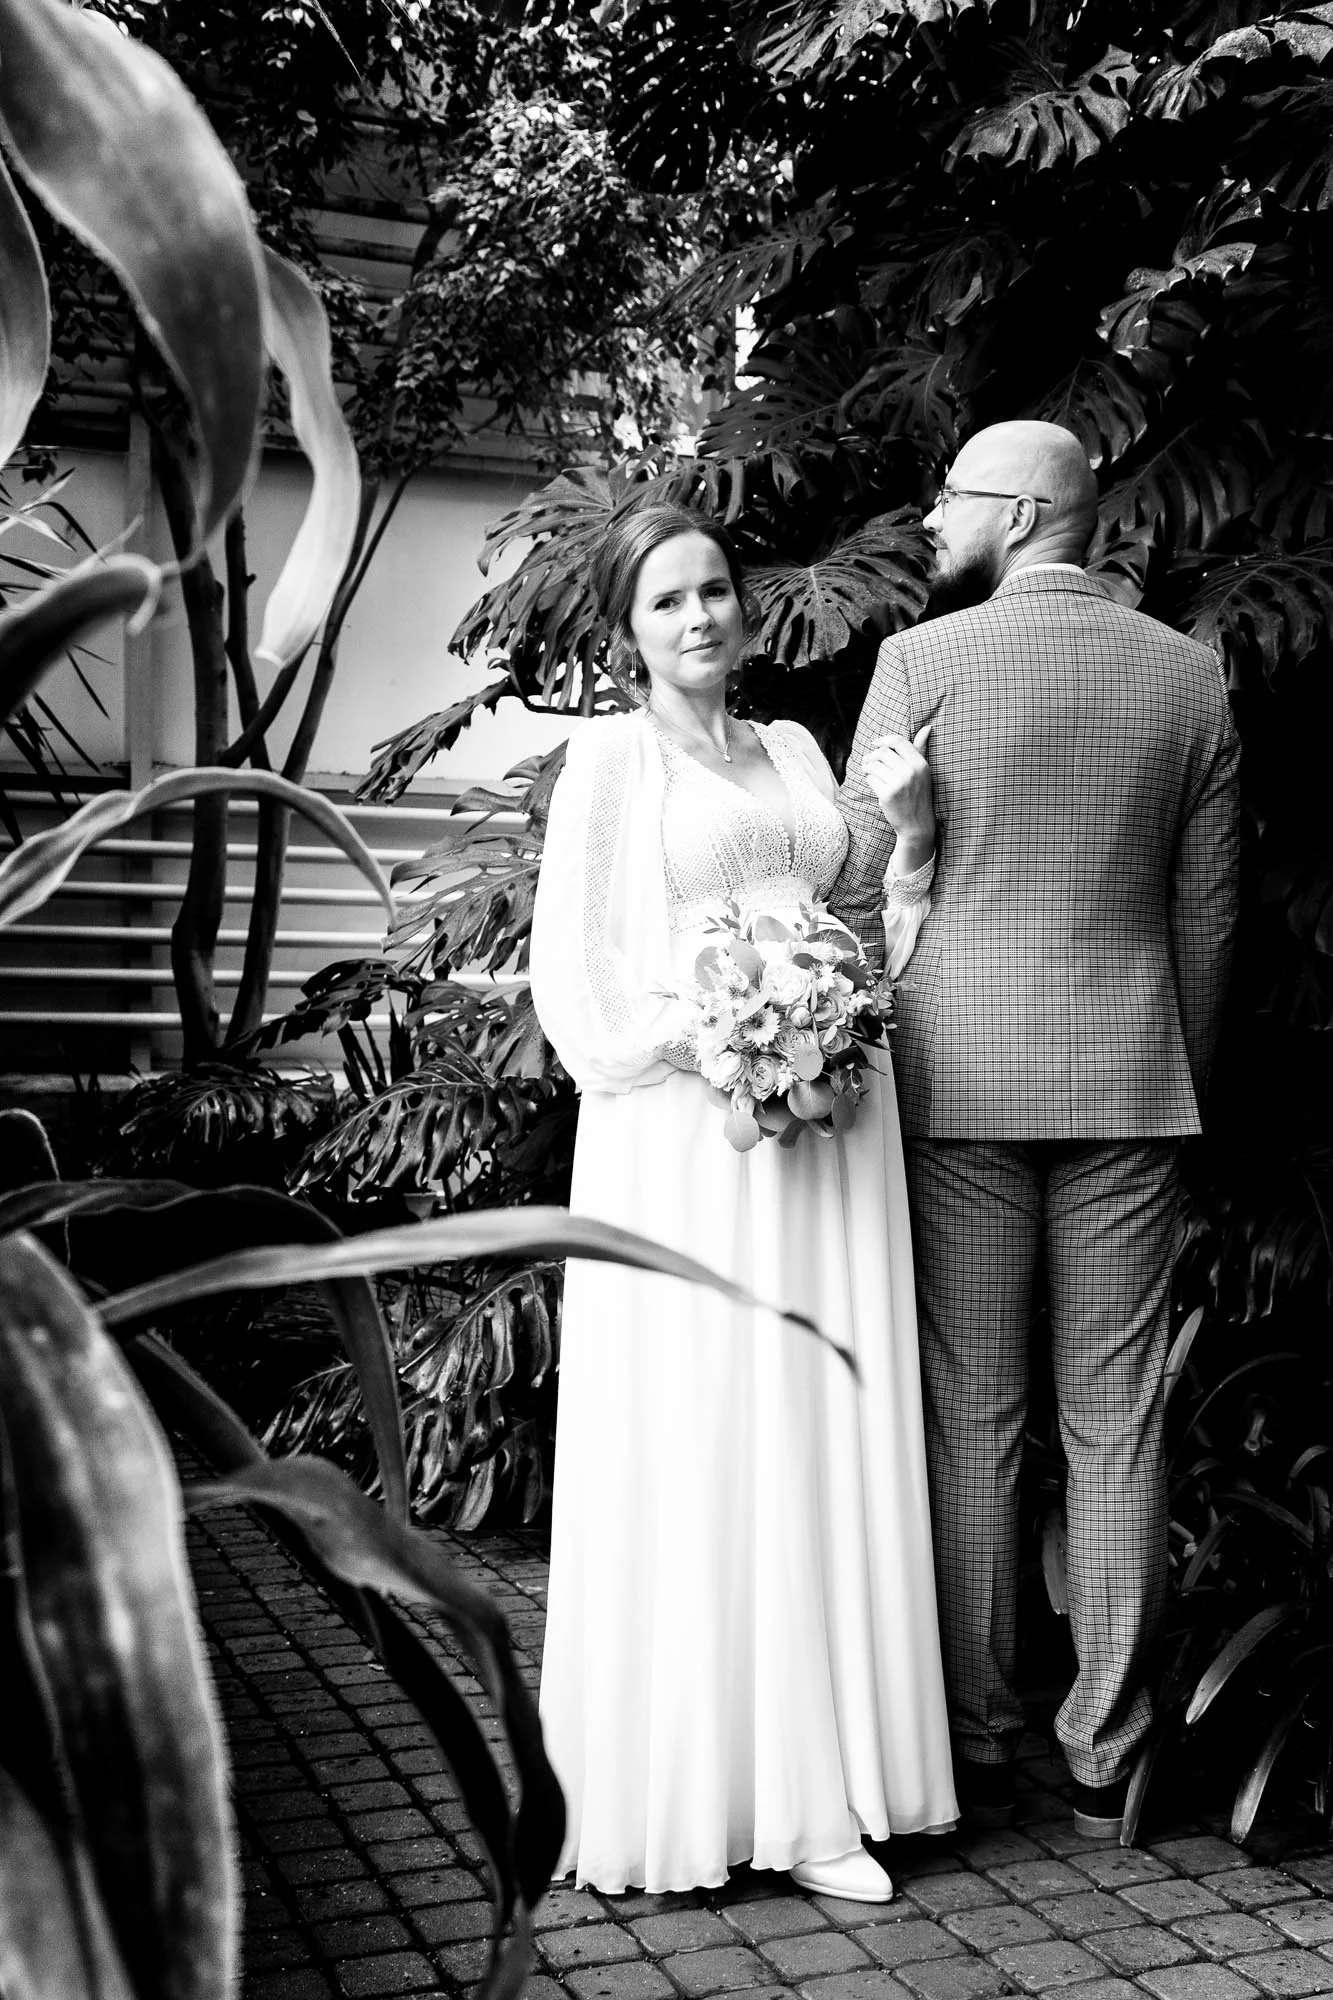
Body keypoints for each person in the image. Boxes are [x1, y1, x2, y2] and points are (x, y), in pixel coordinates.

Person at [529, 499, 958, 1900]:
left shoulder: (791, 751)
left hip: (832, 1129)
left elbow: (862, 925)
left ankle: (836, 1780)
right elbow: (582, 987)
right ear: (626, 629)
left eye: (714, 588)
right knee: (716, 1424)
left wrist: (906, 838)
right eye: (667, 599)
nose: (700, 615)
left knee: (818, 1421)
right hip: (693, 1139)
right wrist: (723, 1036)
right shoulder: (610, 764)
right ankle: (720, 1791)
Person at [833, 419, 1241, 1840]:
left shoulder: (919, 665)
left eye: (953, 496)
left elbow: (859, 877)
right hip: (1131, 1083)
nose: (933, 518)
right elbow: (1208, 916)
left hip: (958, 1082)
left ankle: (980, 1726)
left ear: (1018, 512)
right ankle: (1105, 1748)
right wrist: (1172, 1074)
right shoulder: (1188, 676)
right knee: (1119, 1421)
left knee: (974, 1416)